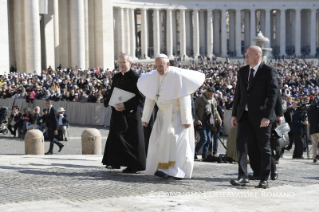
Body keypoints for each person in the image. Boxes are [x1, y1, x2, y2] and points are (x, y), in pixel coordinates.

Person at [137, 54, 205, 179]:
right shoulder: (154, 76)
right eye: (156, 66)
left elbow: (184, 98)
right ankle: (161, 168)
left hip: (177, 115)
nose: (159, 69)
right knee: (158, 142)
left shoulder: (177, 75)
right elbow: (150, 98)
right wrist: (145, 118)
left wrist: (186, 119)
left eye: (161, 66)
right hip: (162, 115)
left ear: (168, 64)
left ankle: (176, 171)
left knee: (177, 143)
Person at [230, 46, 279, 189]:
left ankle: (264, 178)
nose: (245, 57)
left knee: (264, 147)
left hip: (261, 116)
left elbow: (273, 96)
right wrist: (234, 114)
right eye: (245, 54)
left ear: (257, 56)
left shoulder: (268, 71)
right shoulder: (243, 71)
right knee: (241, 144)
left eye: (248, 55)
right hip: (244, 115)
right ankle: (243, 176)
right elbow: (238, 94)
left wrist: (268, 116)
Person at [102, 53, 146, 173]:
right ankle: (114, 162)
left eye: (123, 62)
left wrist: (125, 105)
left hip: (130, 114)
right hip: (117, 112)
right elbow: (112, 92)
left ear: (130, 63)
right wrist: (108, 101)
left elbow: (140, 98)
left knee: (131, 140)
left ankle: (133, 165)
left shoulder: (136, 78)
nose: (121, 65)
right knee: (115, 137)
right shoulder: (116, 77)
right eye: (119, 63)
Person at [194, 87, 222, 160]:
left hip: (210, 122)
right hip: (201, 122)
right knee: (204, 139)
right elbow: (193, 111)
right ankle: (194, 153)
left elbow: (215, 110)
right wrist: (196, 120)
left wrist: (219, 118)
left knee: (209, 140)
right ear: (206, 92)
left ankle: (205, 155)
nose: (209, 96)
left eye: (211, 95)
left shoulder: (213, 100)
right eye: (208, 95)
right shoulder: (199, 100)